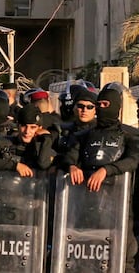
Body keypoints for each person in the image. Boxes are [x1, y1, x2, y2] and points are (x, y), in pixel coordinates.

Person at [58, 86, 139, 272]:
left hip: (119, 207)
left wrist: (107, 170)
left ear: (116, 107)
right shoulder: (84, 135)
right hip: (87, 205)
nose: (101, 108)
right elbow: (70, 155)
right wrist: (71, 166)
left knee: (122, 257)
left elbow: (133, 160)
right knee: (87, 255)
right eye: (99, 104)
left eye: (105, 104)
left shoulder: (130, 135)